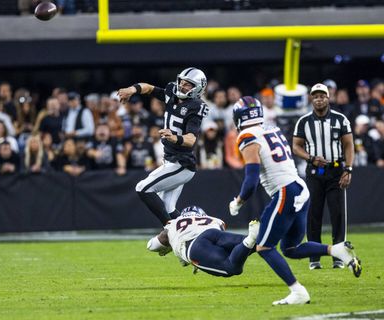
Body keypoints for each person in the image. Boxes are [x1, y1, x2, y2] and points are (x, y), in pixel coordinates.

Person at [228, 96, 361, 305]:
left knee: (264, 247)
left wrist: (238, 202)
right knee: (290, 248)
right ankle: (336, 250)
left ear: (238, 117)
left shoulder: (247, 135)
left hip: (285, 192)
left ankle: (298, 291)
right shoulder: (271, 128)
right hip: (299, 188)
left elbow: (251, 180)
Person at [118, 67, 209, 226]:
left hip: (182, 164)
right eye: (181, 82)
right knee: (168, 207)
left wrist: (174, 137)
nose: (182, 86)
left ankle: (170, 231)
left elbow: (190, 140)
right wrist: (131, 90)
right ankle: (192, 234)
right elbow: (149, 88)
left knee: (143, 188)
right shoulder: (171, 93)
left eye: (188, 84)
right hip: (171, 161)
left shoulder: (196, 106)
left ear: (198, 88)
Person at [293, 83, 355, 270]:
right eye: (315, 96)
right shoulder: (303, 121)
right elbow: (296, 146)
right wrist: (311, 158)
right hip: (314, 172)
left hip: (336, 170)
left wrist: (348, 169)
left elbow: (349, 145)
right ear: (311, 99)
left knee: (337, 214)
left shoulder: (340, 119)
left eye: (322, 96)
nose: (319, 99)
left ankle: (339, 256)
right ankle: (314, 257)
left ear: (329, 98)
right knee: (313, 215)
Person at [147, 206, 260, 277]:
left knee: (232, 268)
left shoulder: (173, 223)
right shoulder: (215, 219)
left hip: (194, 245)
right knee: (258, 245)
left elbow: (152, 246)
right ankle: (253, 237)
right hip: (213, 233)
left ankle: (250, 239)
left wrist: (169, 244)